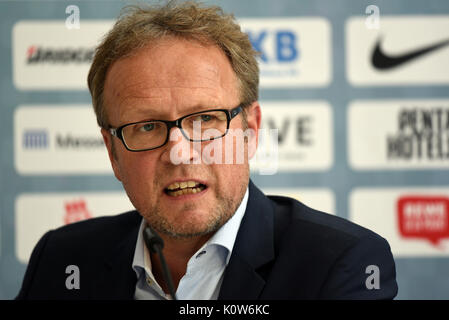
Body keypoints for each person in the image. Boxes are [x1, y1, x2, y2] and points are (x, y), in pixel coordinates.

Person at [16, 0, 398, 300]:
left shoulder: (338, 264)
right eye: (146, 127)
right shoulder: (62, 260)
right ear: (113, 153)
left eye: (205, 120)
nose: (179, 153)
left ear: (250, 132)